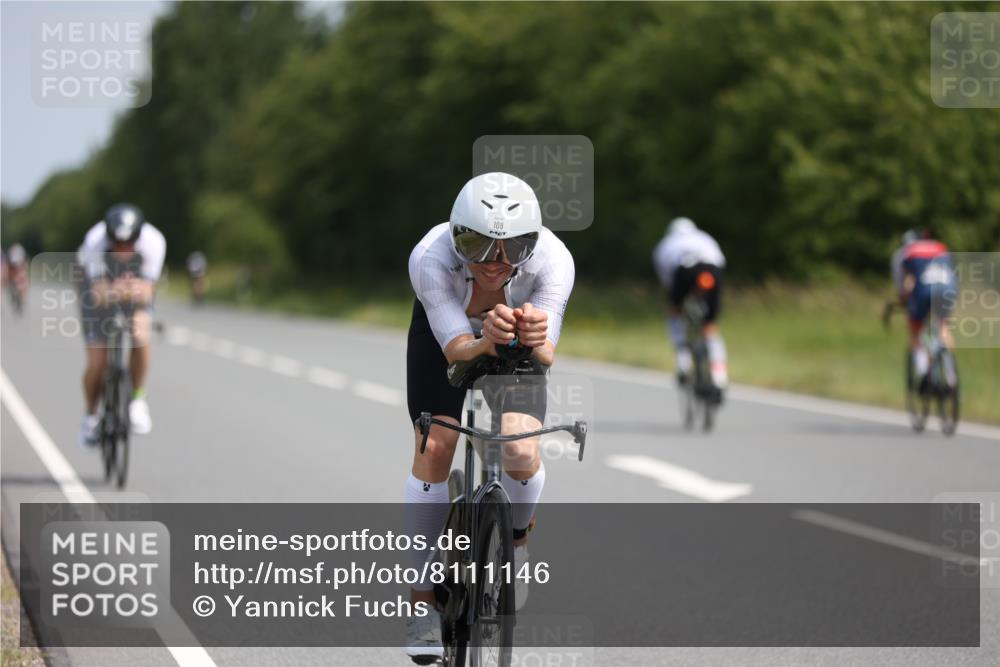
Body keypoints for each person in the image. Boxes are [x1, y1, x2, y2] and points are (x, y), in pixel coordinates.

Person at [403, 172, 575, 662]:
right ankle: (421, 600)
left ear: (532, 243)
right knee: (436, 444)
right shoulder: (430, 256)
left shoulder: (554, 261)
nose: (496, 261)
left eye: (514, 247)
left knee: (520, 449)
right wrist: (485, 340)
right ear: (455, 235)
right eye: (477, 245)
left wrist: (533, 337)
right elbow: (456, 351)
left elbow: (546, 356)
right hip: (450, 338)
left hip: (517, 339)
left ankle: (515, 541)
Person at [77, 204, 166, 446]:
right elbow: (97, 294)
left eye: (129, 244)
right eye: (117, 243)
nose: (123, 249)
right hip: (97, 288)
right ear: (109, 238)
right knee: (97, 362)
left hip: (132, 289)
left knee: (140, 330)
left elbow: (147, 292)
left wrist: (127, 291)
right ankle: (90, 416)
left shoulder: (154, 242)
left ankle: (137, 399)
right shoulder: (94, 241)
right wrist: (118, 291)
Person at [652, 217, 728, 392]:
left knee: (674, 313)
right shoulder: (705, 237)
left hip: (684, 272)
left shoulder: (665, 244)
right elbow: (720, 263)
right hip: (712, 272)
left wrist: (675, 302)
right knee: (709, 327)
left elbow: (667, 280)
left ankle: (683, 360)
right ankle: (719, 374)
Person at [891, 228, 957, 386]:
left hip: (924, 292)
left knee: (915, 330)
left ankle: (923, 372)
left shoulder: (907, 253)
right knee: (943, 328)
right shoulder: (940, 247)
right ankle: (951, 376)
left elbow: (907, 282)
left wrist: (903, 298)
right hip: (948, 289)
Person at [4, 243, 29, 312]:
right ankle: (14, 298)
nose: (16, 266)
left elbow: (24, 277)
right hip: (11, 276)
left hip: (20, 275)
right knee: (11, 288)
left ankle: (21, 301)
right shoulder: (10, 263)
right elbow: (7, 274)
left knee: (22, 286)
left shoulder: (22, 263)